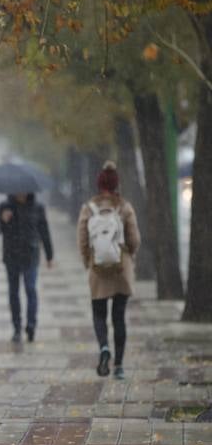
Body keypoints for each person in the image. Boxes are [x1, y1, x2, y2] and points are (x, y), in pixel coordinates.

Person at [77, 161, 141, 380]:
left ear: (98, 184)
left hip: (98, 268)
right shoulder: (124, 207)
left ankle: (104, 347)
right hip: (121, 268)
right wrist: (129, 254)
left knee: (98, 313)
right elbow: (134, 240)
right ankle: (120, 366)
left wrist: (88, 262)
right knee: (119, 317)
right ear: (116, 184)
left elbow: (83, 240)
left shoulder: (89, 208)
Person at [0, 192, 53, 344]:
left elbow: (44, 230)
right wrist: (2, 219)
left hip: (30, 255)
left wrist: (49, 255)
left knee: (30, 289)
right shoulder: (4, 206)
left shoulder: (37, 207)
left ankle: (31, 325)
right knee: (14, 292)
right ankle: (17, 328)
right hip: (11, 255)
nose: (21, 194)